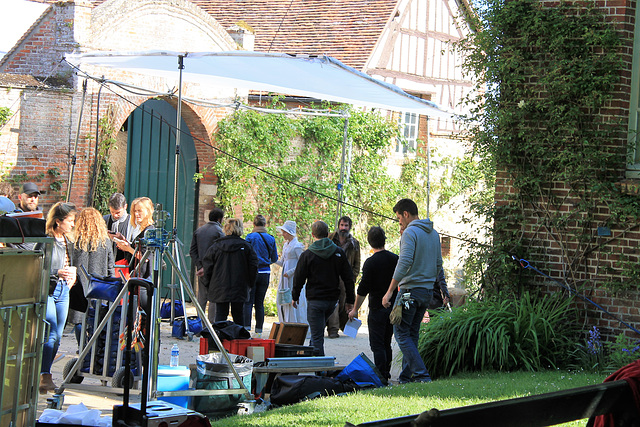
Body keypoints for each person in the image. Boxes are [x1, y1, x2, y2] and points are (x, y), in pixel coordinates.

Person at [382, 198, 442, 384]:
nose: (400, 223)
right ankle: (406, 378)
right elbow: (439, 264)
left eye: (399, 219)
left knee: (400, 332)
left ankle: (422, 376)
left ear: (406, 215)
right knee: (412, 333)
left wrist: (390, 290)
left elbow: (404, 262)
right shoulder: (433, 234)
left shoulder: (410, 233)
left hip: (409, 291)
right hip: (426, 292)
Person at [292, 220, 355, 356]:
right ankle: (309, 360)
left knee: (317, 336)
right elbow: (349, 278)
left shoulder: (307, 255)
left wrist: (294, 296)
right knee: (317, 331)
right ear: (327, 234)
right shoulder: (338, 252)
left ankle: (319, 372)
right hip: (332, 301)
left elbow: (299, 277)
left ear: (313, 235)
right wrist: (350, 300)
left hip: (315, 300)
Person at [348, 226, 398, 381]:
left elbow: (363, 289)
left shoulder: (370, 263)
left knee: (377, 345)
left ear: (370, 242)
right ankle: (386, 372)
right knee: (386, 342)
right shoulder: (395, 259)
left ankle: (381, 375)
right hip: (392, 307)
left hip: (376, 307)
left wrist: (355, 309)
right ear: (384, 239)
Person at [38, 202, 77, 394]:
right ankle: (45, 376)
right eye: (69, 221)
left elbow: (72, 264)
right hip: (49, 289)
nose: (72, 224)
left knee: (58, 335)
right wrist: (57, 271)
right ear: (58, 221)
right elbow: (37, 265)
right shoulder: (46, 240)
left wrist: (73, 274)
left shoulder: (68, 241)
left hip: (64, 290)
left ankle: (44, 375)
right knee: (51, 333)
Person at [70, 208, 115, 346]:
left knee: (79, 320)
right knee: (97, 319)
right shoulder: (105, 242)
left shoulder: (76, 242)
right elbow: (110, 266)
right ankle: (94, 348)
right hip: (99, 286)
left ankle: (82, 347)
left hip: (80, 287)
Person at [202, 218, 258, 326]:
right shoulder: (246, 247)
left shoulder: (216, 247)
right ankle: (239, 340)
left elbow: (207, 267)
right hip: (240, 286)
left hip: (219, 285)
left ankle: (219, 340)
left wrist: (208, 284)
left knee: (220, 314)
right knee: (238, 314)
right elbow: (253, 267)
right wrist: (250, 284)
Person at [327, 215, 360, 338]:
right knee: (333, 303)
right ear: (338, 226)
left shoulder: (354, 244)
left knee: (348, 302)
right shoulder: (329, 238)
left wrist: (353, 277)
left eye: (346, 226)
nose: (343, 228)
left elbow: (357, 263)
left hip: (346, 278)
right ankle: (333, 330)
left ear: (350, 227)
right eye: (342, 225)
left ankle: (348, 330)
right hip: (331, 276)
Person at [189, 207, 225, 325]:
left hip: (201, 270)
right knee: (214, 298)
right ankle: (211, 324)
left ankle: (199, 323)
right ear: (220, 219)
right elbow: (221, 252)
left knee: (202, 297)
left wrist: (200, 266)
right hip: (215, 269)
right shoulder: (219, 232)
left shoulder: (199, 231)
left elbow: (192, 251)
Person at [244, 214, 278, 335]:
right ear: (265, 225)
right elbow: (274, 258)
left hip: (252, 272)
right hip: (265, 272)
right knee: (259, 303)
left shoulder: (249, 237)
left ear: (254, 224)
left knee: (248, 302)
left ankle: (246, 328)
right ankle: (259, 330)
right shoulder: (270, 238)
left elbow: (245, 255)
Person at [116, 196, 154, 279]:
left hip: (143, 278)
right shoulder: (140, 229)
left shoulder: (150, 231)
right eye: (135, 211)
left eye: (139, 211)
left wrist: (128, 248)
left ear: (148, 211)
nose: (136, 214)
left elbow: (145, 257)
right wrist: (124, 241)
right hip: (136, 275)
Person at [275, 220, 305, 323]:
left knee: (293, 297)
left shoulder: (297, 246)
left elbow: (302, 263)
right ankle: (285, 322)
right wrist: (273, 260)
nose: (283, 234)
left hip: (293, 276)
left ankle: (296, 322)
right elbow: (283, 262)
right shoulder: (286, 245)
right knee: (284, 298)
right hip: (285, 277)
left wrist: (291, 272)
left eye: (285, 232)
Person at [103, 193, 133, 262]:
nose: (115, 215)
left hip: (125, 264)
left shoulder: (132, 222)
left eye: (118, 212)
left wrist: (123, 240)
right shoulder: (105, 220)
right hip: (107, 263)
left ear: (125, 207)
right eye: (112, 212)